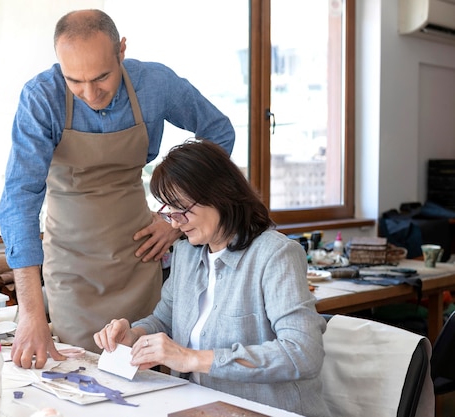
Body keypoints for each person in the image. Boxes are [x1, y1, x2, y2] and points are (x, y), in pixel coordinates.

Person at [0, 9, 235, 368]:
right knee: (80, 376)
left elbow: (219, 133)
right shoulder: (40, 98)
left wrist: (174, 221)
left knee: (151, 373)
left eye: (102, 77)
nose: (90, 93)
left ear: (121, 50)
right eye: (74, 81)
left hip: (139, 257)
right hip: (71, 268)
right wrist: (31, 313)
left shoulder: (154, 84)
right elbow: (19, 200)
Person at [94, 140, 331, 417]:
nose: (174, 223)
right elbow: (165, 319)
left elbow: (302, 353)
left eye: (181, 209)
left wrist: (192, 359)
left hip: (268, 409)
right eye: (168, 211)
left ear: (220, 195)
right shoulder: (186, 254)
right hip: (201, 406)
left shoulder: (275, 255)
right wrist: (134, 335)